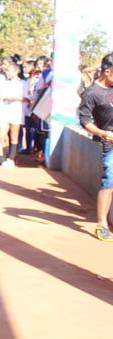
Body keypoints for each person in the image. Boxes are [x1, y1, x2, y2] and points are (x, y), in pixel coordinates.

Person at [78, 52, 113, 241]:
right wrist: (102, 133)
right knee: (109, 181)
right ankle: (102, 224)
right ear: (107, 71)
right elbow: (84, 120)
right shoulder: (92, 93)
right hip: (110, 142)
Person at [0, 57, 26, 167]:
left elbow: (26, 98)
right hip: (5, 111)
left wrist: (15, 98)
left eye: (9, 71)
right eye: (6, 71)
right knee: (1, 135)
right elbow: (1, 95)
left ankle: (11, 157)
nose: (7, 73)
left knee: (14, 135)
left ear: (16, 71)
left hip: (16, 112)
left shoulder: (22, 83)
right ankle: (1, 157)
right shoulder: (5, 83)